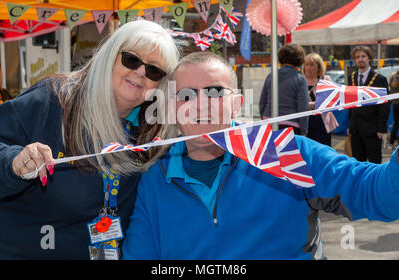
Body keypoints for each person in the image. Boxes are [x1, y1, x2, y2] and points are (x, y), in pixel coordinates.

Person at [122, 51, 399, 260]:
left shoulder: (285, 152)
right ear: (172, 106)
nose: (200, 103)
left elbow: (378, 195)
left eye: (215, 91)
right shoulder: (154, 179)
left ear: (237, 104)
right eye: (186, 94)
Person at [0, 19, 180, 259]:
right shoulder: (52, 99)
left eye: (154, 70)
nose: (140, 72)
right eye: (131, 59)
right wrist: (15, 163)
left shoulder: (154, 130)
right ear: (110, 56)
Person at [347, 46, 389, 163]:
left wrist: (381, 128)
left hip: (373, 129)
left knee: (374, 162)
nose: (360, 59)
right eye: (357, 57)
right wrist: (349, 125)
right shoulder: (352, 77)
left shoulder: (380, 79)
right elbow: (350, 102)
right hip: (356, 129)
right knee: (357, 162)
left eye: (363, 56)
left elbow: (384, 106)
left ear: (369, 58)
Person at [259, 43, 308, 135]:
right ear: (300, 59)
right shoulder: (300, 79)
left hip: (268, 122)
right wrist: (304, 131)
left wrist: (264, 118)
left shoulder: (271, 76)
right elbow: (303, 108)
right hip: (290, 125)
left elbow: (262, 102)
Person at [303, 53, 338, 146]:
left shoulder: (325, 80)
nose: (308, 68)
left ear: (318, 67)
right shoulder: (300, 81)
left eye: (312, 65)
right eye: (306, 64)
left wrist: (310, 105)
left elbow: (330, 100)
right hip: (305, 123)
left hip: (322, 123)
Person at [389, 70, 399, 148]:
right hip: (397, 103)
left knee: (395, 124)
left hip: (394, 104)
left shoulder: (392, 77)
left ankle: (391, 142)